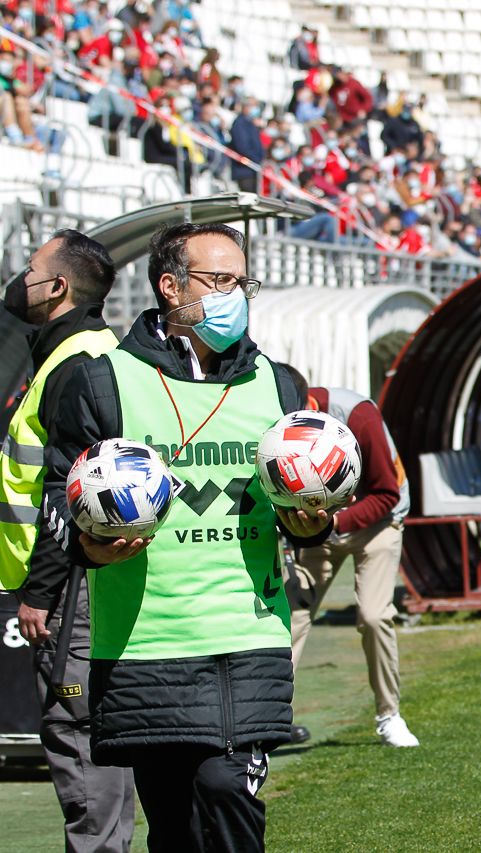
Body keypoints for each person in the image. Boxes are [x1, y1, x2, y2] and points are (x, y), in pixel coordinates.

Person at [41, 223, 332, 851]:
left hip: (247, 634)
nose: (237, 296)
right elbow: (63, 507)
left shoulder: (277, 384)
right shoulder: (100, 381)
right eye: (220, 280)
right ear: (169, 287)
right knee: (173, 825)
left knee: (228, 789)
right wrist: (88, 547)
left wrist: (311, 521)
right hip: (143, 643)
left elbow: (295, 497)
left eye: (242, 283)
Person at [2, 231, 134, 853]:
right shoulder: (82, 350)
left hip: (70, 586)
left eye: (30, 269)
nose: (19, 279)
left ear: (57, 287)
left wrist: (41, 589)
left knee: (78, 734)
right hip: (78, 578)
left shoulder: (77, 361)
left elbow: (71, 489)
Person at [282, 375, 420, 749]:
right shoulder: (281, 421)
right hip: (321, 525)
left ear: (308, 404)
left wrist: (334, 523)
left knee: (374, 616)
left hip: (377, 523)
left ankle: (389, 715)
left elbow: (386, 493)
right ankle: (272, 716)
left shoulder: (358, 415)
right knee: (289, 615)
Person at [229, 97, 265, 193]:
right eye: (253, 106)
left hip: (253, 170)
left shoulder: (250, 123)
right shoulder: (240, 123)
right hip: (244, 171)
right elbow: (243, 147)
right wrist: (256, 159)